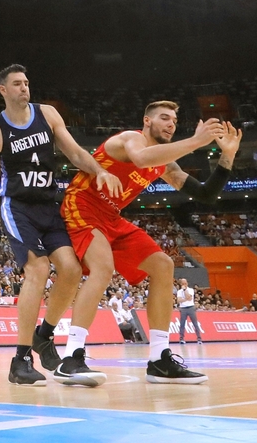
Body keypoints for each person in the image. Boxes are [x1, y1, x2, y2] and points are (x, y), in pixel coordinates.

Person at [59, 102, 238, 385]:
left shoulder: (166, 163)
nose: (171, 124)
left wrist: (227, 156)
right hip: (82, 203)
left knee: (163, 265)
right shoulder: (131, 139)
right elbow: (141, 159)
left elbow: (205, 195)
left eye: (175, 121)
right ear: (147, 121)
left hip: (111, 217)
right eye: (164, 118)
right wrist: (195, 141)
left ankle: (158, 359)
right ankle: (71, 356)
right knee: (103, 269)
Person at [0, 64, 123, 387]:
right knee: (38, 269)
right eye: (17, 84)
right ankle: (21, 358)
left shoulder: (48, 115)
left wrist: (99, 170)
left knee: (71, 270)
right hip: (18, 208)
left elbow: (73, 152)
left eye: (26, 82)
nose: (24, 88)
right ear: (3, 90)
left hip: (49, 205)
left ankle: (44, 335)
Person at [176, 278, 201, 344]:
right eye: (183, 284)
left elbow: (189, 298)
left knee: (195, 323)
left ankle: (199, 338)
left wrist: (185, 291)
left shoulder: (191, 290)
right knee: (182, 324)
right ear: (181, 284)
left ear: (187, 283)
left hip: (191, 307)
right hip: (183, 308)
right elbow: (178, 300)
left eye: (185, 283)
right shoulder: (179, 291)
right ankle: (181, 338)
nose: (184, 285)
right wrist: (186, 299)